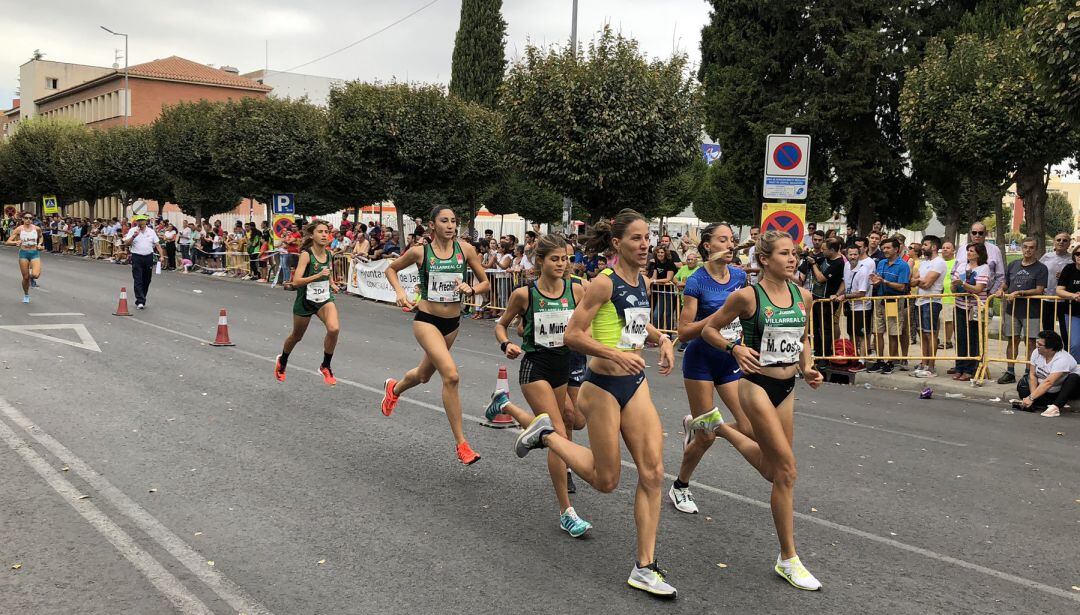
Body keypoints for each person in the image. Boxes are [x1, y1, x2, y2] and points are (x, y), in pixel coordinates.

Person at [511, 210, 679, 597]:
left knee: (653, 472)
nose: (645, 245)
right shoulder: (603, 283)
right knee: (606, 480)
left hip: (634, 384)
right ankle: (547, 435)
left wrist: (662, 339)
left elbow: (635, 323)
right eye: (636, 238)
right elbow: (573, 334)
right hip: (602, 386)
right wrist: (613, 353)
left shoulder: (643, 281)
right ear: (617, 244)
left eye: (648, 238)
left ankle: (645, 567)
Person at [698, 230, 824, 591]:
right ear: (764, 260)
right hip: (755, 387)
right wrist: (734, 349)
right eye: (784, 253)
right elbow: (709, 330)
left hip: (787, 388)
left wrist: (807, 367)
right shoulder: (747, 296)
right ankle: (788, 559)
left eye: (794, 253)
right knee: (787, 471)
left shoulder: (803, 295)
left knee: (772, 471)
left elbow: (802, 339)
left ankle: (720, 428)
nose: (792, 259)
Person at [487, 235, 591, 537]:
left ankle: (504, 404)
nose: (561, 264)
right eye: (555, 259)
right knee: (557, 434)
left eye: (565, 259)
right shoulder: (524, 294)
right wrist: (506, 343)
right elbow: (500, 324)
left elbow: (587, 325)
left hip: (563, 368)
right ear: (540, 261)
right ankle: (566, 512)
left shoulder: (576, 290)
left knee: (569, 422)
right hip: (535, 368)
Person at [381, 206, 490, 465]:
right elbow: (391, 269)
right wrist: (400, 293)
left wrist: (471, 289)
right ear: (433, 225)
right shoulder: (420, 252)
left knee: (423, 375)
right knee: (451, 375)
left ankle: (394, 388)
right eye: (444, 221)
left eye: (453, 221)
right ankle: (462, 445)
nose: (450, 225)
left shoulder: (466, 250)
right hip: (426, 320)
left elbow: (485, 282)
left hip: (452, 323)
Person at [669, 223, 762, 516]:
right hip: (701, 361)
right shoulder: (696, 281)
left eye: (732, 240)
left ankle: (696, 426)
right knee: (707, 437)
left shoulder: (739, 276)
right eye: (723, 240)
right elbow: (684, 331)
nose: (730, 245)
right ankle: (680, 486)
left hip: (730, 358)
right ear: (708, 246)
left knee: (748, 427)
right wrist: (719, 318)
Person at [273, 220, 340, 386]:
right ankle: (283, 360)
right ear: (312, 235)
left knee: (334, 329)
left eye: (326, 232)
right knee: (296, 336)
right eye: (320, 232)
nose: (324, 235)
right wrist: (318, 276)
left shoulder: (329, 254)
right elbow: (296, 281)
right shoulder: (306, 254)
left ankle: (325, 366)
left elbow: (328, 271)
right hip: (305, 300)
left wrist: (331, 283)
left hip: (324, 299)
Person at [996, 238, 1048, 385]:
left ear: (1035, 249)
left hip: (1032, 311)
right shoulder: (1013, 264)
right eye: (1025, 247)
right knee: (1012, 340)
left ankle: (1028, 373)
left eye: (1031, 247)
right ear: (1021, 248)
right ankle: (1010, 372)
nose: (1028, 250)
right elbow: (1006, 283)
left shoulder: (1041, 268)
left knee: (1030, 342)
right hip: (1012, 310)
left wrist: (1020, 293)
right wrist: (1001, 290)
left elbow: (1039, 289)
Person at [866, 238, 910, 374]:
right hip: (880, 299)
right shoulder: (881, 263)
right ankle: (879, 360)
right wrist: (876, 282)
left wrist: (885, 282)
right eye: (883, 248)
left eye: (888, 248)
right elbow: (879, 280)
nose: (885, 250)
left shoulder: (903, 265)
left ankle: (890, 361)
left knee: (893, 333)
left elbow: (902, 286)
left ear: (896, 249)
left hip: (893, 301)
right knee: (877, 332)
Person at [1014, 330, 1080, 417]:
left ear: (1051, 348)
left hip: (1063, 389)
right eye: (1037, 342)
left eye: (1040, 344)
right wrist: (1033, 397)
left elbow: (1049, 382)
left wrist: (1031, 397)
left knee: (1073, 377)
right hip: (1045, 388)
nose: (1037, 345)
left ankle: (1056, 406)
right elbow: (1032, 374)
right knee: (1023, 385)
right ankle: (1046, 403)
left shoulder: (1062, 359)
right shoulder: (1036, 352)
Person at [950, 243, 989, 381]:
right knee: (960, 338)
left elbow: (978, 288)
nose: (969, 253)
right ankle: (959, 367)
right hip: (960, 306)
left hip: (975, 308)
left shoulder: (984, 268)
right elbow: (953, 287)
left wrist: (963, 284)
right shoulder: (961, 266)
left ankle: (970, 369)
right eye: (968, 250)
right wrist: (954, 286)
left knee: (973, 338)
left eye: (972, 251)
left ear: (979, 253)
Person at [911, 236, 946, 378]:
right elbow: (912, 282)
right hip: (919, 301)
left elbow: (927, 284)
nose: (922, 247)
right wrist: (919, 280)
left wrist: (918, 281)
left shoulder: (939, 262)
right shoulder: (924, 263)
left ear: (934, 247)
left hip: (932, 301)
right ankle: (924, 363)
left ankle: (931, 366)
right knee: (922, 333)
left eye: (925, 245)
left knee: (930, 333)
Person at [807, 237, 845, 363]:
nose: (822, 251)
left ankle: (825, 355)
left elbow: (821, 278)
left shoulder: (838, 263)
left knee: (825, 329)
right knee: (815, 328)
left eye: (824, 249)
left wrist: (813, 264)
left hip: (827, 300)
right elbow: (816, 259)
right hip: (816, 298)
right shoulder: (826, 258)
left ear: (832, 250)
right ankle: (817, 353)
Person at [121, 214, 167, 309]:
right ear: (136, 222)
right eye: (139, 221)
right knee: (138, 279)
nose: (141, 222)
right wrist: (134, 236)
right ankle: (140, 301)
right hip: (137, 257)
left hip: (148, 257)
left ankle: (142, 296)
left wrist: (161, 256)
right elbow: (126, 243)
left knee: (147, 279)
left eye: (142, 220)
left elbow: (157, 244)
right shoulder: (132, 231)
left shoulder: (151, 231)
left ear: (146, 222)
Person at [839, 244, 872, 369]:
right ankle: (854, 357)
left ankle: (862, 361)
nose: (853, 257)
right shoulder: (847, 265)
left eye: (855, 254)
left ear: (859, 255)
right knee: (851, 333)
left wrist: (844, 296)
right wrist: (838, 293)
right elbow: (845, 282)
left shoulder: (863, 270)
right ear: (847, 255)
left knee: (862, 334)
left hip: (862, 307)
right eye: (850, 254)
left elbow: (861, 293)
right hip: (850, 306)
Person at [5, 213, 44, 303]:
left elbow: (41, 236)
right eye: (26, 218)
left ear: (32, 219)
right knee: (25, 278)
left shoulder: (36, 228)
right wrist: (16, 242)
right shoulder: (19, 229)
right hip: (23, 253)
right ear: (22, 219)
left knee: (35, 275)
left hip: (34, 253)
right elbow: (8, 242)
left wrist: (39, 244)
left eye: (30, 218)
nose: (28, 220)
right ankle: (26, 295)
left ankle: (32, 277)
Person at [957, 222, 1005, 294]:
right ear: (970, 233)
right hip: (961, 295)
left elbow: (1000, 275)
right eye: (974, 232)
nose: (977, 235)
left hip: (986, 294)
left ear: (985, 233)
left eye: (980, 233)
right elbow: (954, 271)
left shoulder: (995, 250)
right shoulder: (962, 249)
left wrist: (991, 293)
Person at [1041, 232, 1073, 335]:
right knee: (1048, 329)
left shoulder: (1073, 258)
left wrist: (1065, 277)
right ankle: (1049, 345)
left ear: (1069, 244)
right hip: (1047, 298)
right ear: (1054, 242)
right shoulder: (1046, 256)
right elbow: (1039, 272)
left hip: (1065, 300)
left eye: (1065, 240)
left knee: (1065, 329)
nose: (1061, 242)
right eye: (1058, 240)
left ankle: (1066, 345)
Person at [1053, 246, 1080, 363]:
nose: (1079, 256)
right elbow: (1059, 290)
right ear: (1074, 256)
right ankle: (1076, 370)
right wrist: (1073, 296)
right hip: (1072, 312)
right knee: (1074, 344)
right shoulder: (1069, 269)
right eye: (1078, 254)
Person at [940, 241, 957, 351]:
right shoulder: (940, 263)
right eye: (943, 248)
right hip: (940, 296)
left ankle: (948, 341)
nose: (945, 249)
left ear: (953, 250)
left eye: (948, 248)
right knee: (943, 320)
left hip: (951, 296)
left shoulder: (956, 262)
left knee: (949, 320)